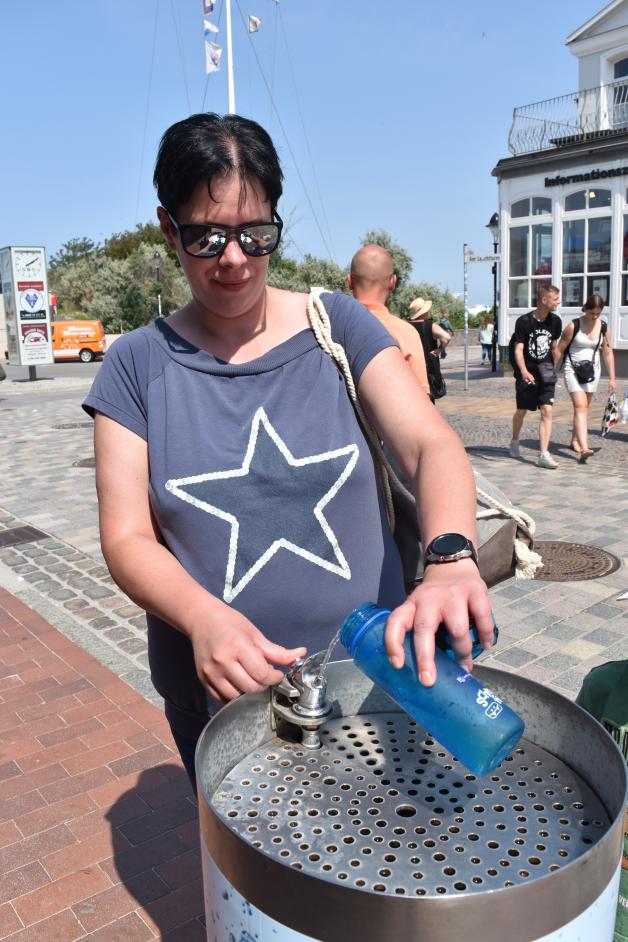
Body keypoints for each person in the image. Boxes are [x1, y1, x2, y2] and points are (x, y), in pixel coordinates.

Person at [82, 112, 492, 790]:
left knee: (383, 856)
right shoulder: (134, 365)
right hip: (225, 700)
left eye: (255, 233)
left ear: (277, 218)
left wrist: (451, 559)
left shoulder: (340, 325)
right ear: (167, 229)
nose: (235, 258)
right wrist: (201, 617)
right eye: (207, 237)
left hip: (378, 679)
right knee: (257, 883)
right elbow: (125, 536)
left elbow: (430, 442)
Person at [348, 244, 429, 396]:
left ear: (350, 281)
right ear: (393, 282)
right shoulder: (406, 333)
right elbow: (421, 396)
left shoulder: (326, 328)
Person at [556, 294, 616, 464]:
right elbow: (559, 349)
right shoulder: (573, 325)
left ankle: (575, 441)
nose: (595, 316)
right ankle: (584, 448)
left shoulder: (604, 327)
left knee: (583, 408)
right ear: (586, 309)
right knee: (580, 406)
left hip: (592, 371)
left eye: (598, 313)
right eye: (592, 313)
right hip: (572, 369)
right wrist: (549, 372)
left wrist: (612, 378)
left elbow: (608, 352)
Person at [509, 285, 562, 469]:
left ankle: (543, 454)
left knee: (547, 410)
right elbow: (518, 349)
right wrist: (523, 371)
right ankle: (515, 440)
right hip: (527, 371)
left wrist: (552, 369)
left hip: (546, 372)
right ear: (544, 300)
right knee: (522, 410)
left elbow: (554, 347)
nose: (559, 302)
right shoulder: (524, 321)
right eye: (555, 299)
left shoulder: (555, 321)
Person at [408, 297, 451, 402]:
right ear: (425, 311)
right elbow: (446, 338)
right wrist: (440, 349)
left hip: (411, 364)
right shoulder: (430, 325)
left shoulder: (407, 325)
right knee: (429, 396)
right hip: (428, 364)